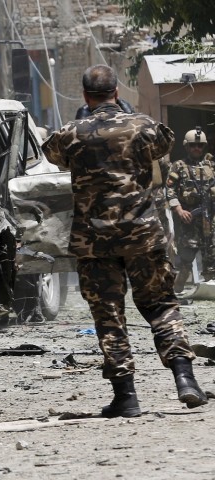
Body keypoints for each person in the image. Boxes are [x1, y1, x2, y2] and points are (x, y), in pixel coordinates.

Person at [42, 64, 208, 417]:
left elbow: (52, 155)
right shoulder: (143, 126)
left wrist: (82, 124)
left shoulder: (71, 132)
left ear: (86, 96)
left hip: (95, 241)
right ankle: (185, 380)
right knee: (161, 305)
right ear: (116, 92)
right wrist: (130, 116)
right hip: (142, 236)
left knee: (109, 315)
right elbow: (165, 142)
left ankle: (126, 397)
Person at [166, 127, 215, 292]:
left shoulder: (211, 166)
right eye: (193, 145)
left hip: (210, 219)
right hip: (190, 220)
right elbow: (170, 191)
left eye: (200, 146)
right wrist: (179, 210)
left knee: (211, 257)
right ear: (187, 147)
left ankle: (208, 291)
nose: (197, 148)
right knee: (186, 258)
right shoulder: (179, 166)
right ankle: (177, 287)